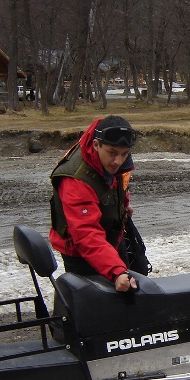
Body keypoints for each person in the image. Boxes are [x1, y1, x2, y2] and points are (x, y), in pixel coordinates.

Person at [49, 115, 139, 292]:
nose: (118, 161)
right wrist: (116, 271)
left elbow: (119, 184)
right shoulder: (75, 181)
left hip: (112, 238)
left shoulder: (115, 159)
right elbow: (86, 234)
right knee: (92, 306)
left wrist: (123, 205)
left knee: (131, 291)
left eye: (124, 154)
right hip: (80, 252)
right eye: (112, 153)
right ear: (96, 145)